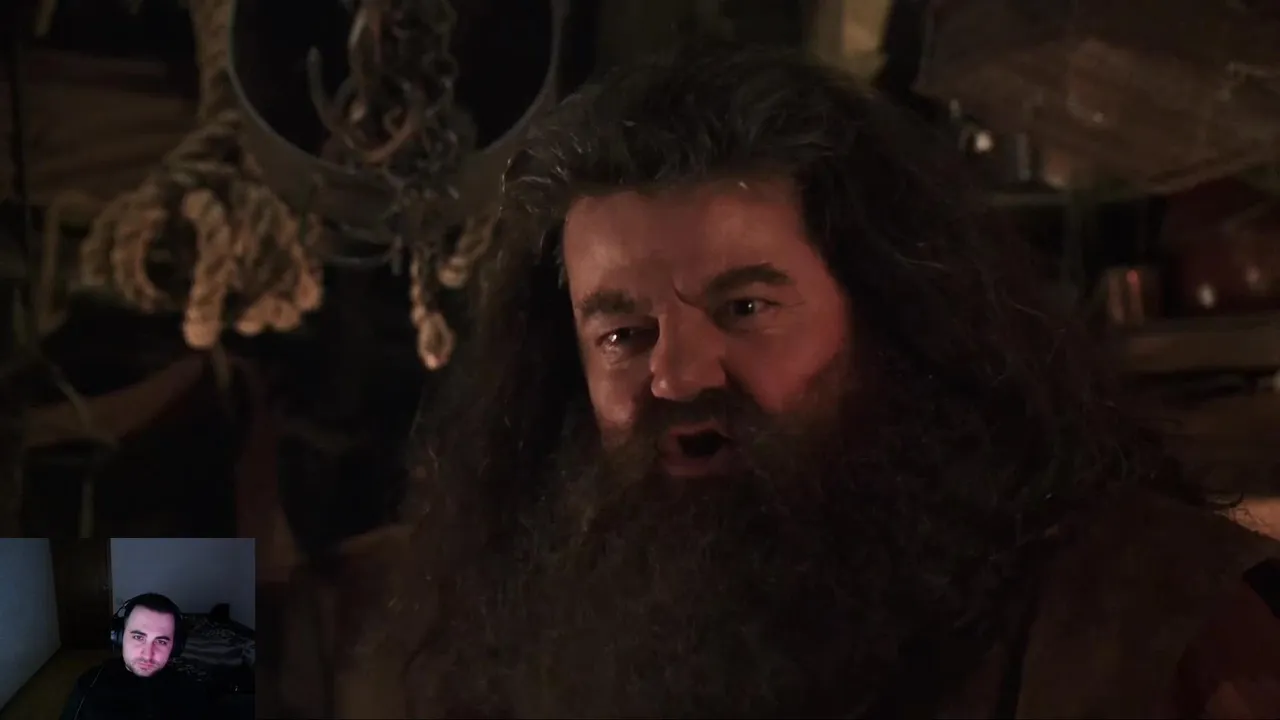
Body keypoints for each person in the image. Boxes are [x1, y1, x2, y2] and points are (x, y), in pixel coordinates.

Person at [294, 43, 1280, 718]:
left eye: (745, 308)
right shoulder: (516, 628)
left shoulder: (1144, 620)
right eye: (624, 333)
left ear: (891, 318)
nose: (678, 375)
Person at [60, 592, 211, 720]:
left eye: (161, 641)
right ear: (119, 636)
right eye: (138, 637)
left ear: (175, 646)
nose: (148, 654)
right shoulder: (90, 683)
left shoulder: (190, 691)